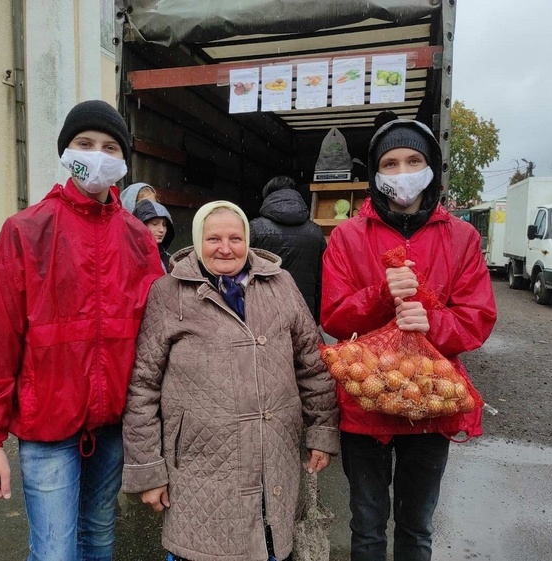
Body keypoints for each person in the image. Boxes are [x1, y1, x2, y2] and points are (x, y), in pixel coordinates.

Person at [0, 100, 164, 561]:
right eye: (84, 144)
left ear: (123, 162)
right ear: (66, 151)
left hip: (112, 424)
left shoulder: (136, 237)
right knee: (54, 552)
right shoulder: (25, 230)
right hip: (47, 426)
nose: (97, 155)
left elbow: (157, 337)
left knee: (99, 539)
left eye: (110, 147)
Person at [320, 116, 497, 561]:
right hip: (366, 402)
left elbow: (478, 319)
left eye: (413, 160)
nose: (402, 172)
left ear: (432, 167)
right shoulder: (345, 237)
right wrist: (381, 295)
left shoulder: (462, 238)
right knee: (366, 527)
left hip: (431, 403)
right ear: (376, 175)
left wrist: (432, 324)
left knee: (416, 529)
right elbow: (335, 317)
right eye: (391, 163)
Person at [121, 201, 340, 561]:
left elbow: (312, 364)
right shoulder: (168, 293)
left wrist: (322, 431)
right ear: (197, 240)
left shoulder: (280, 284)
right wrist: (148, 470)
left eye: (235, 238)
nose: (226, 248)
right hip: (198, 464)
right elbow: (143, 386)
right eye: (214, 238)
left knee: (267, 543)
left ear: (248, 241)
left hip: (274, 455)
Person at [249, 176, 327, 323]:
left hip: (264, 315)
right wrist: (316, 317)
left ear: (267, 197)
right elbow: (322, 281)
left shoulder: (255, 228)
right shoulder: (315, 232)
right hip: (304, 314)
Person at [133, 198, 175, 273]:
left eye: (164, 224)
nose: (161, 229)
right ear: (141, 225)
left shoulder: (170, 261)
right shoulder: (127, 257)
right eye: (155, 224)